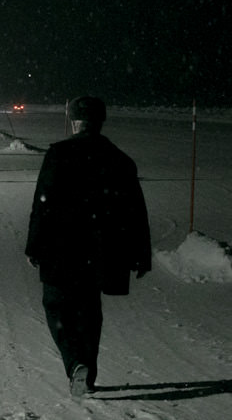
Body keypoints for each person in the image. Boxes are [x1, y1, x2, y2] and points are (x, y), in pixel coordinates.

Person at [24, 95, 151, 398]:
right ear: (101, 121)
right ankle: (88, 376)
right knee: (90, 311)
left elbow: (42, 203)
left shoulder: (59, 154)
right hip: (101, 252)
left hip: (61, 248)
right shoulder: (120, 160)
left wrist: (34, 246)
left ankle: (75, 364)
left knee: (56, 307)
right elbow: (135, 210)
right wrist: (141, 255)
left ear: (73, 120)